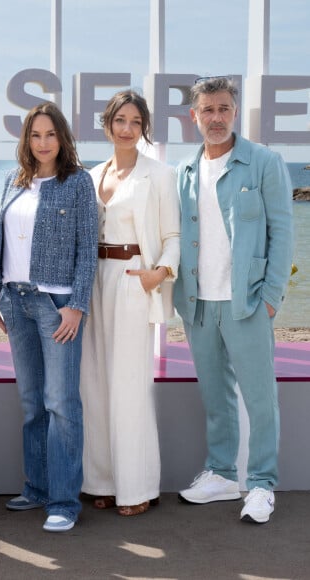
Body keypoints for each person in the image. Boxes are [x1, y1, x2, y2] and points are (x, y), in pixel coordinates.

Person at [175, 76, 293, 524]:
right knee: (216, 396)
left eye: (224, 108)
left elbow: (282, 231)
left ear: (235, 111)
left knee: (261, 397)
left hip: (247, 301)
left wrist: (271, 297)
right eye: (207, 109)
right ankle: (223, 475)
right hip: (199, 303)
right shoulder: (185, 171)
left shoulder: (263, 162)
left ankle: (262, 484)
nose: (216, 117)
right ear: (194, 116)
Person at [0, 102, 98, 532]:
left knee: (62, 404)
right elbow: (2, 241)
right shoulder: (15, 179)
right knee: (32, 404)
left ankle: (64, 501)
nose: (43, 142)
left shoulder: (78, 183)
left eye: (50, 134)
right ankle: (37, 487)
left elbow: (88, 250)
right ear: (26, 140)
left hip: (56, 306)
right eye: (35, 135)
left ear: (62, 138)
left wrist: (77, 304)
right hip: (15, 301)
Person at [79, 91, 180, 516]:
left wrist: (160, 273)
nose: (127, 128)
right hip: (94, 279)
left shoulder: (159, 174)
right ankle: (101, 481)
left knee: (130, 384)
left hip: (134, 278)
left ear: (144, 129)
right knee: (94, 381)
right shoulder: (90, 174)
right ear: (107, 125)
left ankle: (136, 487)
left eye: (136, 122)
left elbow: (174, 236)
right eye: (120, 120)